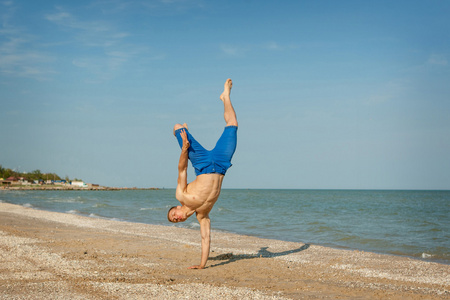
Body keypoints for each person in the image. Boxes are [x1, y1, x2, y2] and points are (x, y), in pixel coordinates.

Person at [168, 78, 238, 269]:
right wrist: (202, 265)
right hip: (221, 164)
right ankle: (225, 97)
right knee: (232, 123)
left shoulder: (181, 195)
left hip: (203, 164)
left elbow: (181, 170)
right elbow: (205, 238)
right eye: (175, 220)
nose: (176, 218)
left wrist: (184, 150)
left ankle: (184, 133)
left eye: (174, 214)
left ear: (176, 207)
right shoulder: (203, 215)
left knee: (177, 128)